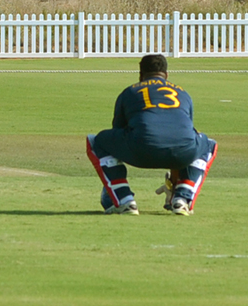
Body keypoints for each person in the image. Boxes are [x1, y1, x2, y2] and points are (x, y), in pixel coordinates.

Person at [86, 54, 218, 216]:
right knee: (208, 144)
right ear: (166, 75)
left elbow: (117, 132)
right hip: (182, 153)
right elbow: (183, 136)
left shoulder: (130, 91)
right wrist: (174, 182)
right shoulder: (183, 93)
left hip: (140, 150)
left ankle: (123, 199)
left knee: (95, 141)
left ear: (140, 75)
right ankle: (182, 198)